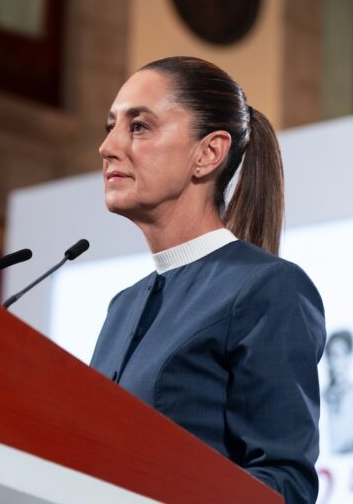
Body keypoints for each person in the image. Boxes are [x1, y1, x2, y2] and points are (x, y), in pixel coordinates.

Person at [89, 57, 326, 504]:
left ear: (209, 153)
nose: (108, 146)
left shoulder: (268, 288)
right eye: (110, 126)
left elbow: (286, 484)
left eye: (138, 126)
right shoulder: (122, 307)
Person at [323, 330, 353, 453]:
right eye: (334, 355)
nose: (339, 361)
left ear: (349, 358)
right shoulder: (322, 396)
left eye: (344, 354)